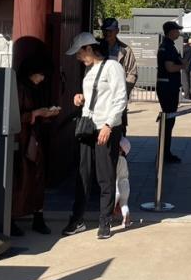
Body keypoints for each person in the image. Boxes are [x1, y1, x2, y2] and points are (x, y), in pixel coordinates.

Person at [61, 32, 128, 240]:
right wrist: (80, 98)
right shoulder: (89, 71)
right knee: (83, 173)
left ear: (89, 48)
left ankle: (105, 221)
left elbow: (120, 98)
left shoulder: (112, 67)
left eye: (80, 53)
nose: (78, 58)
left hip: (107, 127)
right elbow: (94, 97)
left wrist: (109, 124)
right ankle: (77, 218)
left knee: (105, 175)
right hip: (89, 126)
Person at [11, 54, 61, 235]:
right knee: (21, 180)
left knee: (38, 179)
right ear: (32, 72)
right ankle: (12, 218)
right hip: (21, 139)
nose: (42, 78)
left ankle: (37, 217)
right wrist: (37, 113)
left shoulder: (35, 88)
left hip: (34, 138)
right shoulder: (18, 87)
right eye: (40, 74)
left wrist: (45, 114)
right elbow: (14, 115)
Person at [100, 17, 138, 130]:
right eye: (105, 30)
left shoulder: (125, 50)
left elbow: (133, 73)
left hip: (117, 97)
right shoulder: (96, 47)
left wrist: (123, 91)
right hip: (100, 97)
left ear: (117, 31)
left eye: (110, 31)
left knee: (118, 130)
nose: (107, 33)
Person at [155, 20, 184, 163]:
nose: (179, 32)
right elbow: (170, 67)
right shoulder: (167, 47)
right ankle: (164, 154)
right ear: (171, 32)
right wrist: (182, 65)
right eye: (177, 30)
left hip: (168, 87)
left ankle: (165, 152)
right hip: (167, 87)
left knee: (169, 121)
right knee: (168, 121)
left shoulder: (169, 46)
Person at [114, 137, 132, 229]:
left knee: (110, 204)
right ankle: (126, 219)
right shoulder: (124, 161)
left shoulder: (116, 160)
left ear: (120, 149)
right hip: (125, 186)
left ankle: (107, 221)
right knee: (124, 204)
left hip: (116, 186)